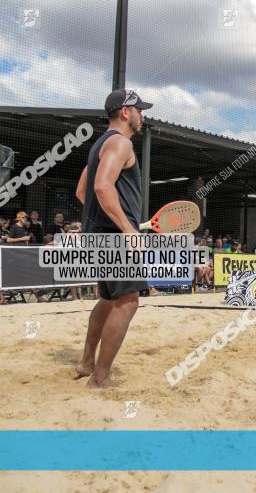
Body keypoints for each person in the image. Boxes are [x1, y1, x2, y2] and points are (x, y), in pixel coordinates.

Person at [74, 89, 153, 389]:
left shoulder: (98, 147)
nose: (142, 115)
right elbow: (102, 187)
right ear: (124, 112)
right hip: (117, 238)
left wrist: (103, 224)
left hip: (98, 236)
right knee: (128, 302)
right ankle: (100, 377)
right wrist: (127, 230)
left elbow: (82, 192)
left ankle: (85, 363)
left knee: (108, 300)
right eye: (139, 110)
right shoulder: (120, 143)